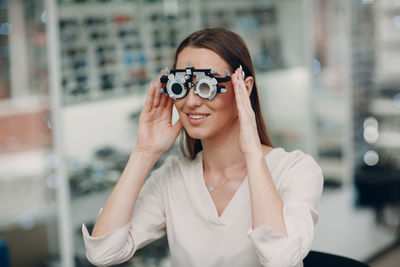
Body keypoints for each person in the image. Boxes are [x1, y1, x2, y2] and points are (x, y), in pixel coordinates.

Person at [82, 27, 324, 267]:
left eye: (206, 87)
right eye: (181, 86)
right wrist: (144, 152)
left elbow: (280, 258)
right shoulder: (173, 177)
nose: (191, 101)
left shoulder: (295, 170)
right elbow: (103, 252)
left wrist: (252, 153)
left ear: (245, 87)